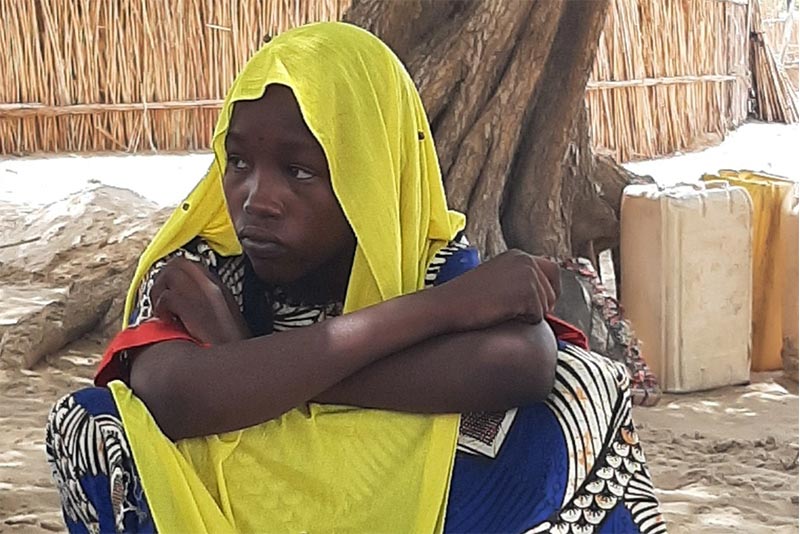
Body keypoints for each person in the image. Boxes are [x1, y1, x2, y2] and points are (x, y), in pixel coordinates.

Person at [45, 22, 665, 534]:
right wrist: (438, 313)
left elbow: (520, 361)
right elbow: (172, 394)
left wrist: (252, 364)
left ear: (372, 180)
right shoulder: (204, 262)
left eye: (300, 171)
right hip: (245, 496)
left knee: (582, 388)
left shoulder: (416, 256)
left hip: (379, 482)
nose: (257, 199)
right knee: (92, 422)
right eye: (237, 162)